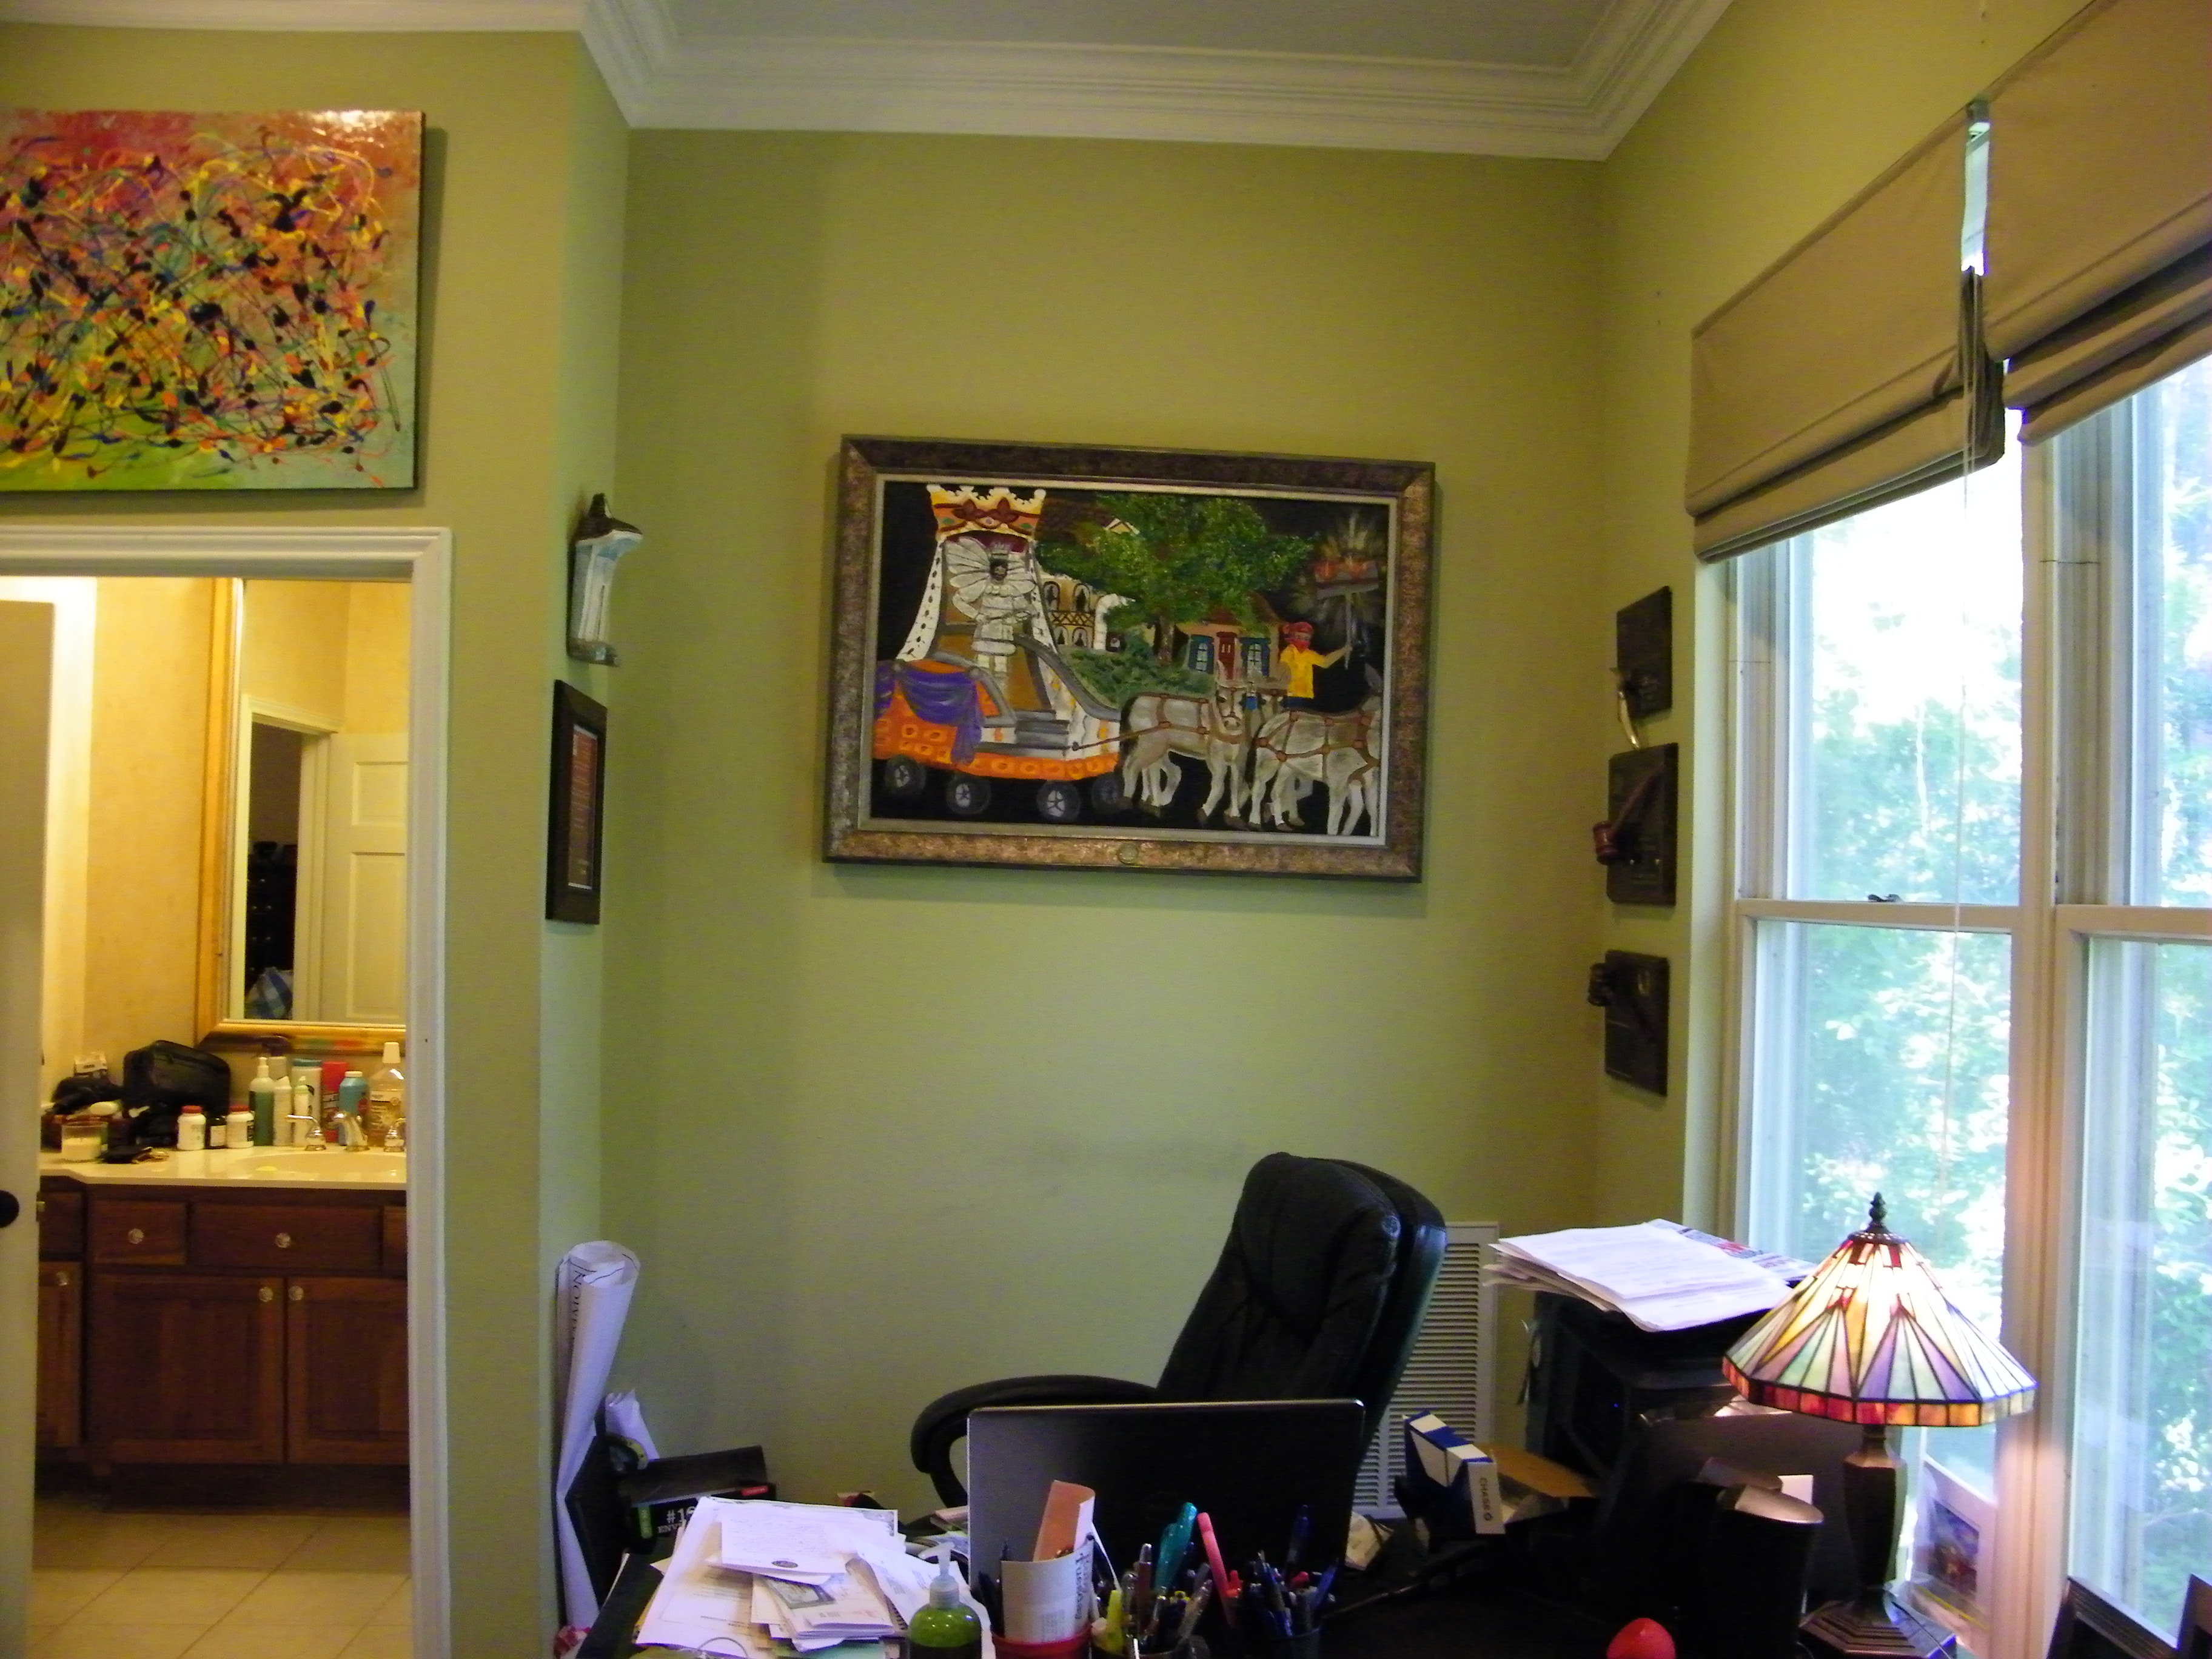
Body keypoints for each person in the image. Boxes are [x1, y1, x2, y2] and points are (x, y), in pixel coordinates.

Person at [1276, 620, 1349, 708]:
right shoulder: (1289, 652)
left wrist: (1344, 650)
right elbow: (1283, 668)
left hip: (1305, 695)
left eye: (1306, 639)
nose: (1302, 641)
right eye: (1299, 637)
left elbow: (1325, 662)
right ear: (1293, 637)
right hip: (1291, 694)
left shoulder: (1308, 654)